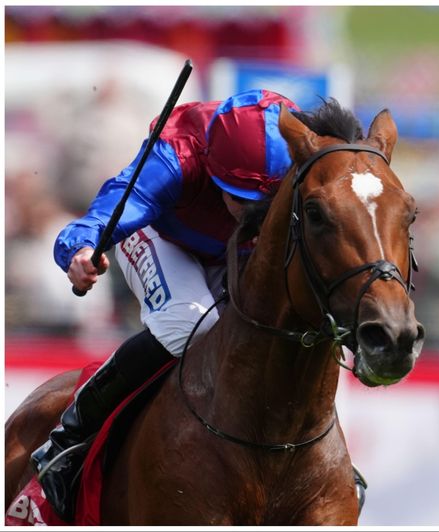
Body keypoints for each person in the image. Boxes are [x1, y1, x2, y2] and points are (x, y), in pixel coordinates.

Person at [32, 89, 300, 520]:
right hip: (162, 236)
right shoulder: (175, 156)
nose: (256, 219)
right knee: (193, 323)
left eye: (267, 207)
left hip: (236, 254)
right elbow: (104, 215)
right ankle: (69, 436)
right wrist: (80, 252)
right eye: (242, 202)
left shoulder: (301, 153)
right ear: (213, 173)